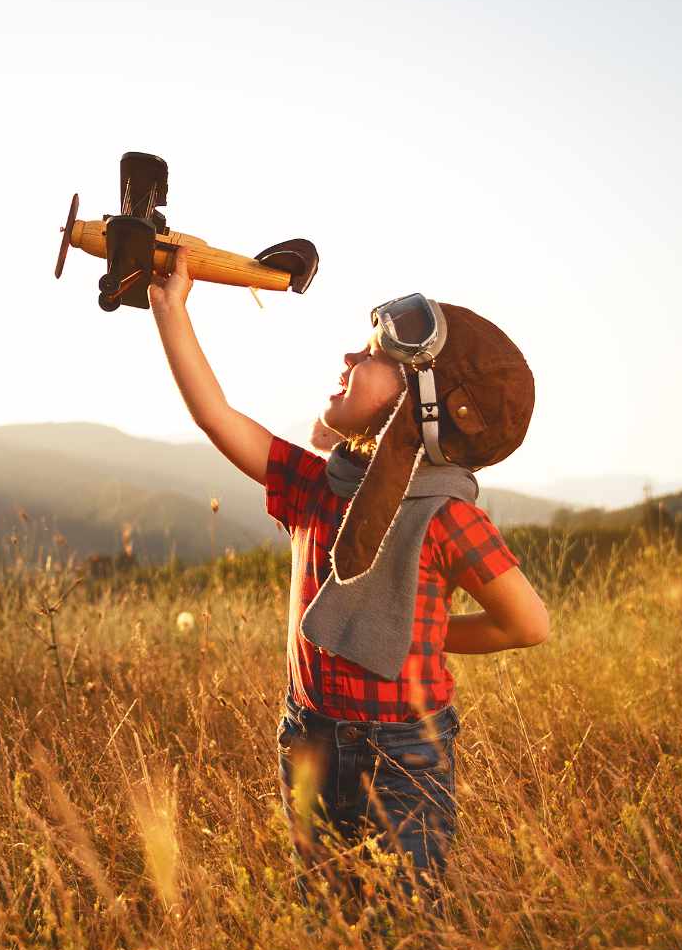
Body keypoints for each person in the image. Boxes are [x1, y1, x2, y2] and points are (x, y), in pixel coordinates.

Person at [147, 239, 550, 902]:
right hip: (308, 736)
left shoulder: (445, 516)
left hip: (402, 758)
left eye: (371, 356)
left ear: (422, 402)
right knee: (324, 919)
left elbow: (528, 623)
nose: (349, 357)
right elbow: (217, 416)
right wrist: (171, 311)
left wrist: (437, 635)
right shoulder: (318, 484)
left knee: (400, 925)